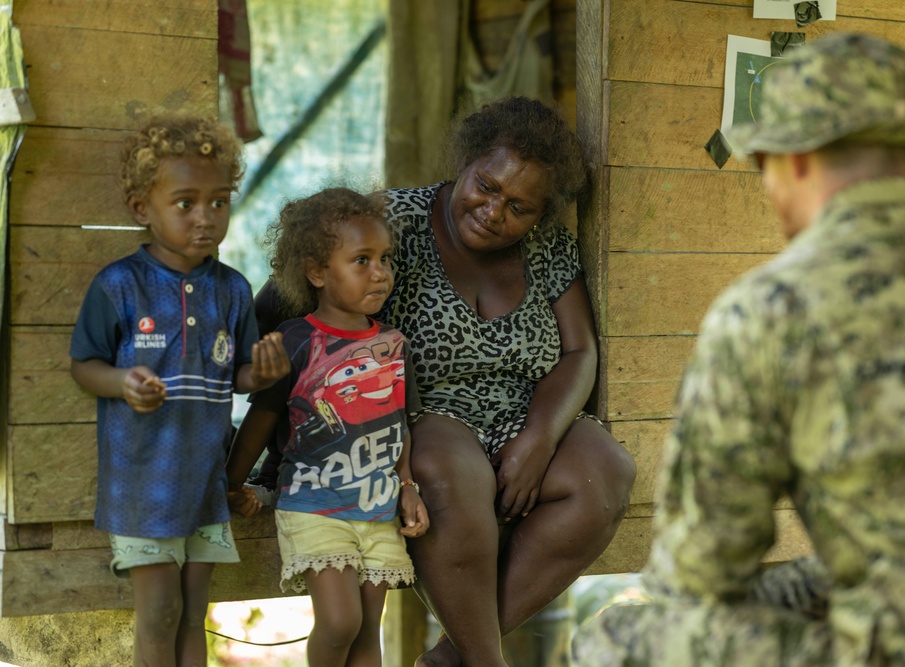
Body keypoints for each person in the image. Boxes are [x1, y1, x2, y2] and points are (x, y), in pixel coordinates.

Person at [572, 32, 905, 666]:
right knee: (801, 583)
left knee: (614, 640)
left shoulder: (769, 312)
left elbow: (702, 572)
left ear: (794, 161)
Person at [242, 97, 637, 666]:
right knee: (450, 475)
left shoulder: (548, 247)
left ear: (541, 212)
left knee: (607, 473)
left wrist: (541, 437)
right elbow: (281, 305)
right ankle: (483, 660)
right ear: (466, 161)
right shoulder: (392, 226)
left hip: (520, 417)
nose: (494, 211)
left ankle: (454, 657)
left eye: (519, 206)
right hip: (416, 416)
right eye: (487, 185)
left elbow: (578, 350)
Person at [69, 114, 290, 667]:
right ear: (143, 208)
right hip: (141, 489)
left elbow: (235, 374)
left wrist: (259, 377)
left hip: (204, 485)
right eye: (186, 203)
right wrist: (122, 382)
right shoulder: (120, 285)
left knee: (196, 614)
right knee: (160, 613)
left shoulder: (233, 290)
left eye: (218, 202)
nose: (206, 218)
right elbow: (83, 365)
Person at [225, 187, 430, 666]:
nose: (380, 272)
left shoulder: (394, 345)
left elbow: (398, 421)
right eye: (362, 260)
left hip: (378, 509)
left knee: (366, 637)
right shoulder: (295, 341)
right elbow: (262, 415)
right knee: (340, 622)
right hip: (315, 507)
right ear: (317, 272)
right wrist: (232, 484)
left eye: (385, 258)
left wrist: (408, 485)